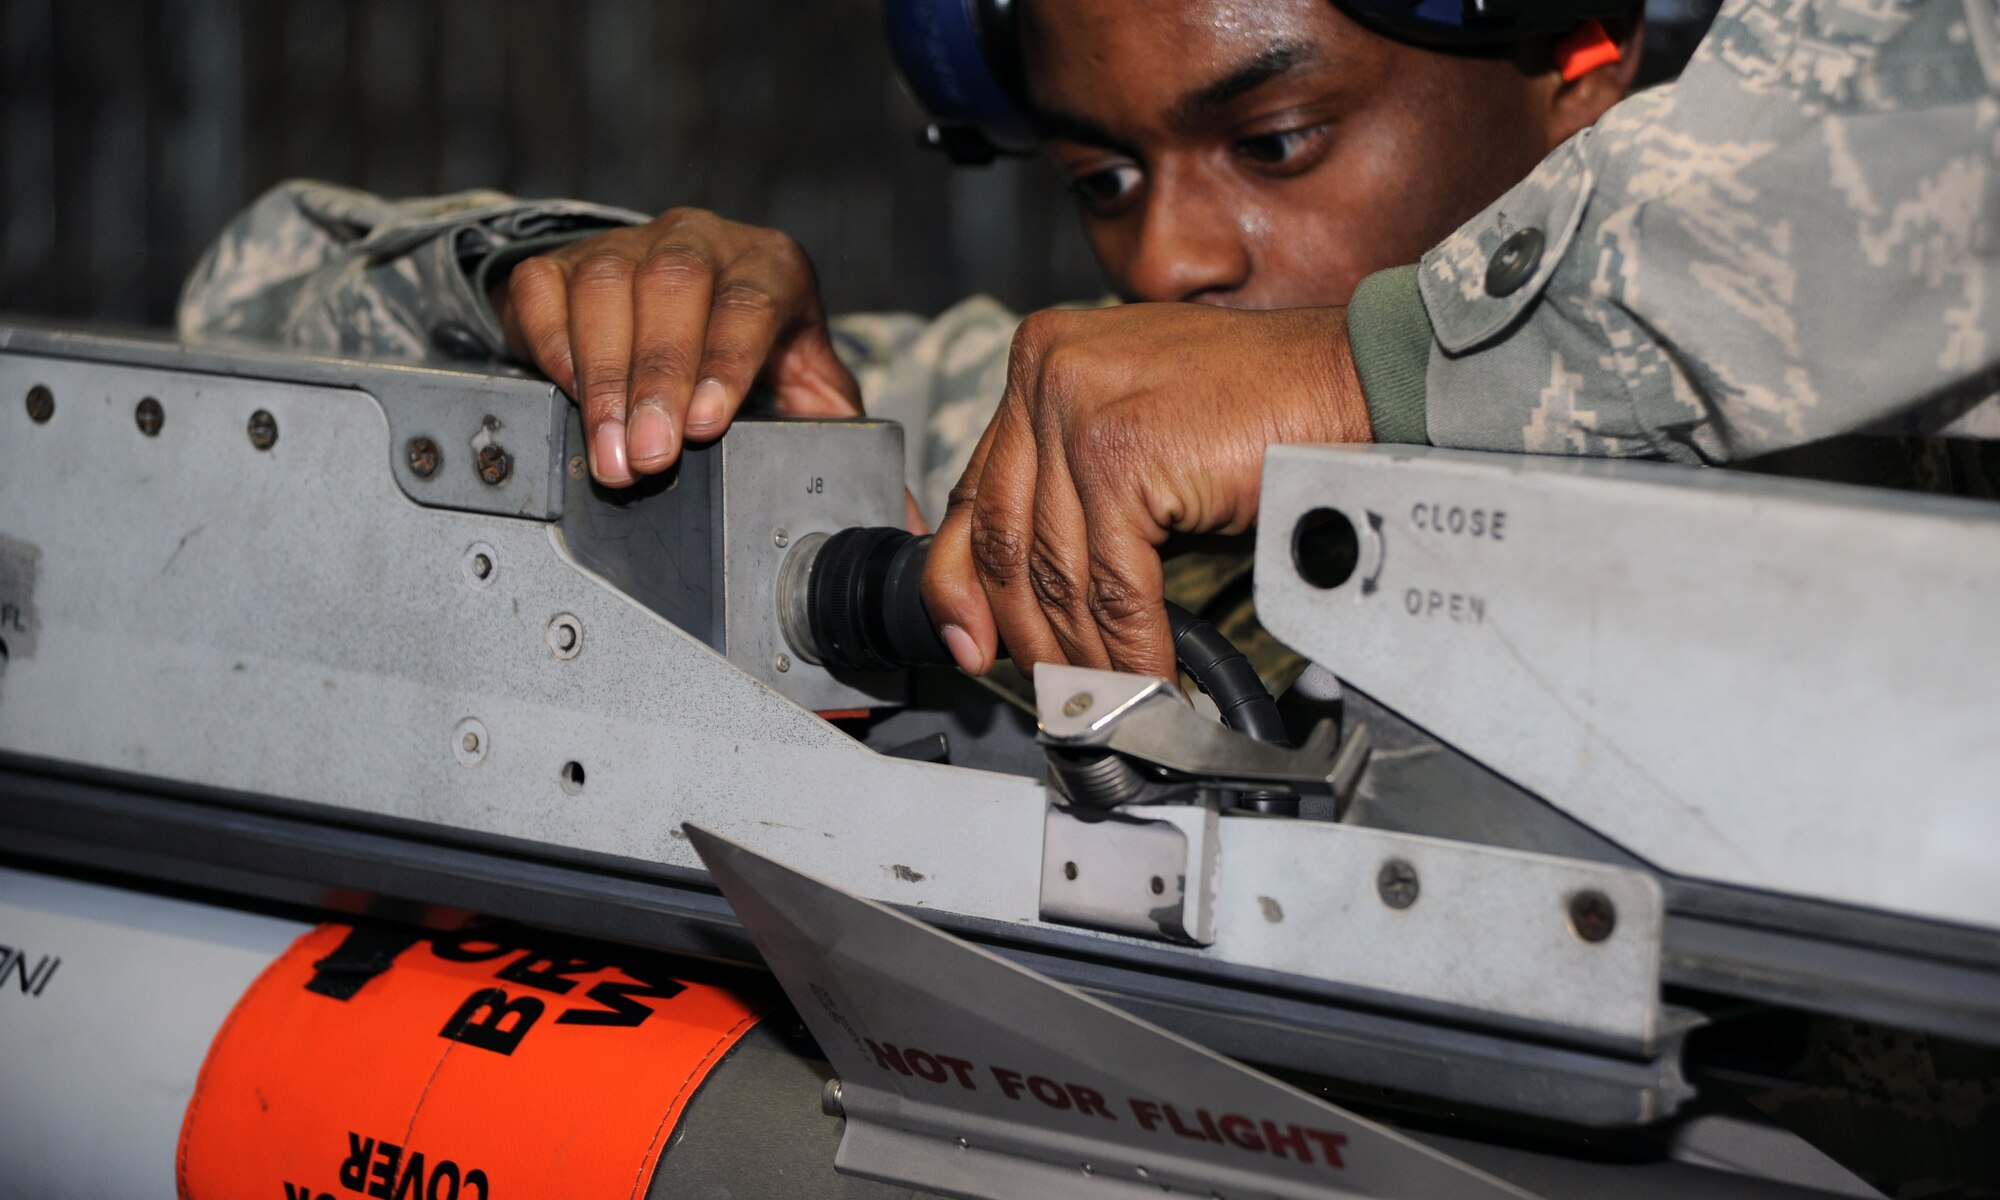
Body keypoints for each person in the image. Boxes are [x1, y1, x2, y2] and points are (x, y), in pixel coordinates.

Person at [181, 0, 1999, 687]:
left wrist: (1385, 366)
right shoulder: (1051, 435)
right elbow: (242, 316)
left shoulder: (1906, 376)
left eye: (1276, 142)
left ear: (1572, 55)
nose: (1173, 254)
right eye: (1100, 174)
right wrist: (555, 282)